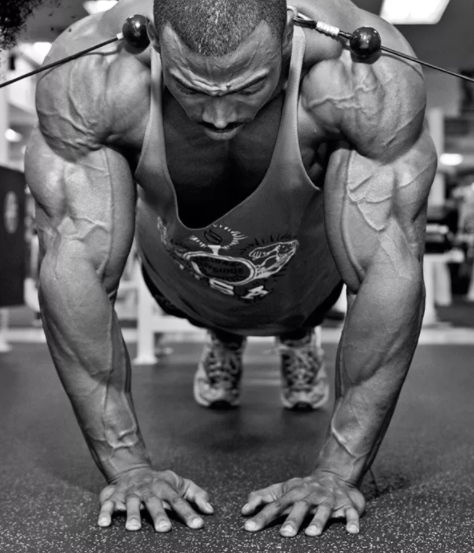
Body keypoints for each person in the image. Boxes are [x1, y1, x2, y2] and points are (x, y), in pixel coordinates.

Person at [25, 0, 437, 539]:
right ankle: (227, 335)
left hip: (306, 282)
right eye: (191, 88)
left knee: (302, 310)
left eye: (248, 86)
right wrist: (128, 470)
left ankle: (295, 337)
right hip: (180, 274)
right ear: (153, 37)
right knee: (202, 300)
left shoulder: (362, 76)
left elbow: (390, 266)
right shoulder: (94, 73)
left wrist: (338, 474)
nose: (218, 116)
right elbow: (71, 265)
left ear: (290, 34)